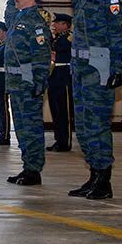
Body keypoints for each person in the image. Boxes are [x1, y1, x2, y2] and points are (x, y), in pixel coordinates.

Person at [67, 0, 122, 200]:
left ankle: (103, 179)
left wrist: (117, 69)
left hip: (99, 67)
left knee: (97, 123)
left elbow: (120, 34)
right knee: (82, 124)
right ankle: (94, 174)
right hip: (81, 67)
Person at [3, 0, 51, 185]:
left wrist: (39, 82)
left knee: (31, 128)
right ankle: (27, 167)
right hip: (15, 83)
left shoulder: (36, 23)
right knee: (22, 128)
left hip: (28, 82)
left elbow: (42, 55)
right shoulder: (18, 18)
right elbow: (8, 13)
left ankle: (34, 169)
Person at [46, 13, 74, 152]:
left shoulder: (69, 37)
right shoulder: (57, 38)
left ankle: (65, 142)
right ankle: (59, 139)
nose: (54, 25)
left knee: (64, 111)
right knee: (56, 110)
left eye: (57, 23)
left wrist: (55, 56)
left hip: (64, 76)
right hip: (55, 76)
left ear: (65, 25)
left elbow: (68, 53)